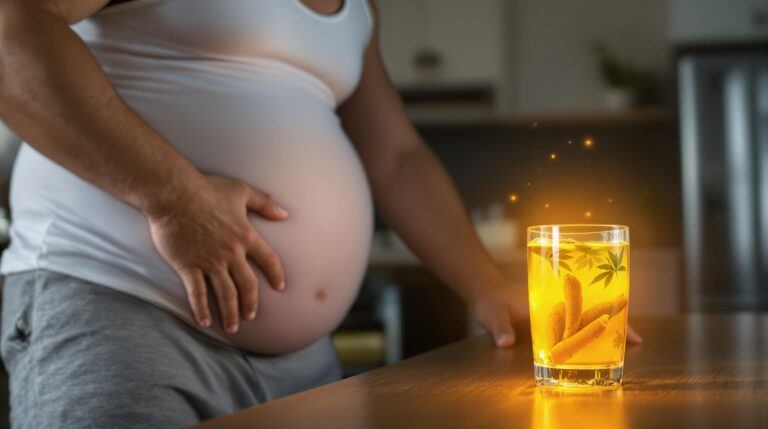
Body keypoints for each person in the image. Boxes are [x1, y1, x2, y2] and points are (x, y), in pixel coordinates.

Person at [0, 0, 641, 427]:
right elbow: (11, 27)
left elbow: (395, 155)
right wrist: (174, 197)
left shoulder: (355, 9)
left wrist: (487, 285)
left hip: (304, 369)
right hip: (122, 313)